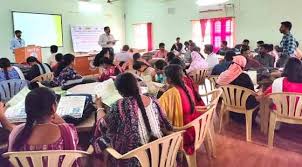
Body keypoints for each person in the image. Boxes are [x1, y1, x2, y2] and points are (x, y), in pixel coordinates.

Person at [93, 72, 172, 166]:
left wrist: (99, 107)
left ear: (119, 91)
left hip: (136, 160)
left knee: (100, 141)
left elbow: (102, 125)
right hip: (160, 154)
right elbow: (163, 122)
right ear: (137, 85)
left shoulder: (120, 106)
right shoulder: (153, 100)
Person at [5, 88, 78, 163]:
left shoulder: (16, 132)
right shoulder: (65, 130)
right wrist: (63, 122)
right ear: (53, 107)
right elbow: (74, 147)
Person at [159, 64, 202, 154]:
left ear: (169, 79)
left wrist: (161, 93)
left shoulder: (170, 94)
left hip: (183, 134)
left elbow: (158, 111)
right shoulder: (186, 87)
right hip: (193, 128)